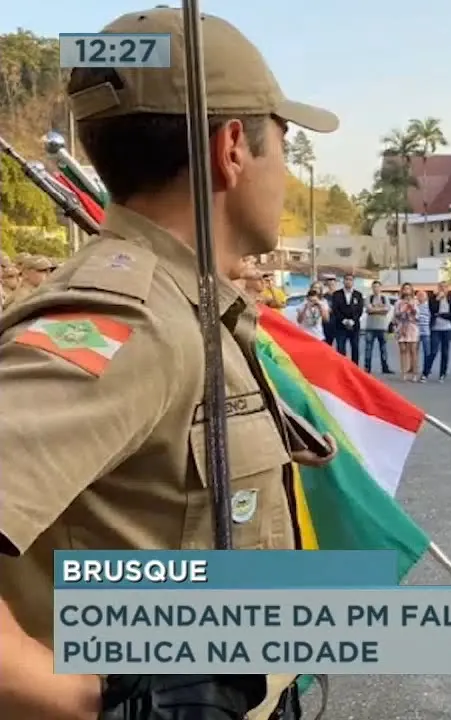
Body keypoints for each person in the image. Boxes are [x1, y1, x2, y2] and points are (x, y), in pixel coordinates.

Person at [0, 7, 338, 720]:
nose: (286, 169)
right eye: (284, 142)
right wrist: (93, 700)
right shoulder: (132, 321)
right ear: (233, 148)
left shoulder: (192, 308)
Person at [422, 282, 451, 382]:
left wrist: (441, 315)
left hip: (447, 329)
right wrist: (437, 300)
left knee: (445, 352)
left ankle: (442, 374)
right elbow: (432, 310)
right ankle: (425, 373)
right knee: (433, 351)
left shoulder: (450, 300)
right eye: (441, 287)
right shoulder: (433, 299)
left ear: (447, 289)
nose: (442, 289)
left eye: (445, 287)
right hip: (435, 328)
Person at [329, 273, 364, 365]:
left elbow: (359, 310)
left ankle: (355, 368)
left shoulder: (358, 295)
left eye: (350, 280)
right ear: (343, 281)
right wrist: (344, 320)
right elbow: (335, 309)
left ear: (353, 282)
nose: (348, 281)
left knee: (355, 347)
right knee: (341, 348)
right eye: (346, 279)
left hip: (354, 326)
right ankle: (342, 367)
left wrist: (352, 321)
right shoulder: (337, 294)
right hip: (340, 325)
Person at [362, 280, 393, 374]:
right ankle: (367, 367)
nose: (376, 289)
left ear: (380, 288)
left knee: (383, 348)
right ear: (372, 288)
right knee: (368, 348)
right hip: (370, 326)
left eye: (377, 287)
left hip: (382, 326)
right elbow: (368, 308)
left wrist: (374, 309)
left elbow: (387, 309)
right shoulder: (369, 298)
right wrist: (380, 309)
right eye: (374, 287)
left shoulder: (384, 298)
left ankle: (385, 367)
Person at [394, 283, 421, 382]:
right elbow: (396, 315)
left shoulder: (415, 301)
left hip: (412, 326)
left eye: (408, 288)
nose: (406, 290)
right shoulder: (398, 302)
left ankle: (414, 373)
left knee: (413, 350)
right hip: (402, 326)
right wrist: (401, 313)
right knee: (403, 350)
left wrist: (411, 307)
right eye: (404, 288)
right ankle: (404, 372)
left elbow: (418, 315)